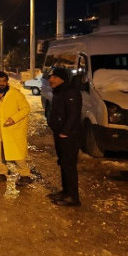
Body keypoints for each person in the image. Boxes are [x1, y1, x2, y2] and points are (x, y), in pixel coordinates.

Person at [0, 70, 33, 185]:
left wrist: (14, 119)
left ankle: (25, 176)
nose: (1, 83)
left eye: (4, 81)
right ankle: (1, 173)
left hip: (13, 130)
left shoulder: (16, 94)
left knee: (17, 154)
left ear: (7, 81)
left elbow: (26, 109)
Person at [46, 67, 83, 207]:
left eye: (54, 77)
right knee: (63, 163)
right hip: (60, 133)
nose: (51, 80)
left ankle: (73, 197)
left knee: (69, 165)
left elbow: (73, 114)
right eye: (51, 77)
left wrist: (65, 132)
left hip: (69, 136)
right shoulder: (59, 91)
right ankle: (66, 192)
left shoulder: (70, 92)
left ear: (62, 79)